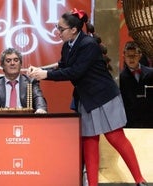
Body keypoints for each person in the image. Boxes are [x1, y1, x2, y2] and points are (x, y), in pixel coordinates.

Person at [28, 8, 147, 186]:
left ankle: (140, 179)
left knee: (115, 137)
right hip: (86, 98)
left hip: (103, 96)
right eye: (57, 28)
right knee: (89, 141)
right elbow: (62, 66)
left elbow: (75, 72)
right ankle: (92, 184)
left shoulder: (88, 44)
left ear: (74, 30)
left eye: (61, 29)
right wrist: (42, 71)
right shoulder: (67, 46)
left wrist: (45, 75)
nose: (58, 32)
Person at [0, 48, 47, 114]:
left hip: (25, 120)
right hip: (1, 120)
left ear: (21, 64)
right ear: (2, 65)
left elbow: (38, 98)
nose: (12, 63)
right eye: (8, 60)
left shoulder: (31, 81)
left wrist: (40, 109)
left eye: (16, 60)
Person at [120, 41, 153, 128]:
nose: (131, 59)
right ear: (124, 56)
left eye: (134, 55)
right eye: (128, 56)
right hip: (130, 123)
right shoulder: (121, 78)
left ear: (140, 55)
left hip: (150, 121)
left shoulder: (151, 73)